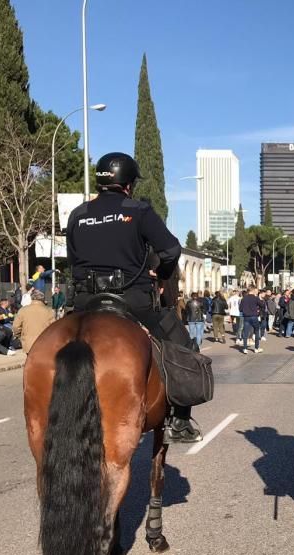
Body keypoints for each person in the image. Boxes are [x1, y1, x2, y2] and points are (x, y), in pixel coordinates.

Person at [65, 151, 201, 443]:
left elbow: (73, 260)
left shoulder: (78, 214)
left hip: (84, 303)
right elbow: (171, 250)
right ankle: (180, 421)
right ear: (128, 184)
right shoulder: (137, 210)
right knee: (184, 347)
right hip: (132, 301)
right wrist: (160, 271)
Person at [239, 285, 264, 354]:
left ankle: (245, 348)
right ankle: (256, 348)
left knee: (246, 333)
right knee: (256, 331)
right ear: (253, 290)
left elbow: (240, 309)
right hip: (254, 316)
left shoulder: (244, 298)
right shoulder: (255, 298)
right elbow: (262, 305)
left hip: (246, 317)